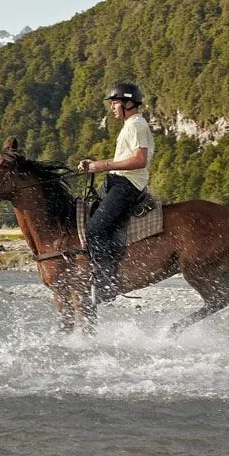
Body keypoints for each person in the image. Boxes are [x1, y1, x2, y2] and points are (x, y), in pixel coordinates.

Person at [76, 81, 153, 303]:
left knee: (95, 229)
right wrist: (95, 164)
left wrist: (102, 166)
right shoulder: (130, 125)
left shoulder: (137, 125)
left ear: (129, 103)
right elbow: (120, 160)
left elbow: (140, 160)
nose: (112, 108)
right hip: (117, 180)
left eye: (115, 103)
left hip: (127, 184)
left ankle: (106, 284)